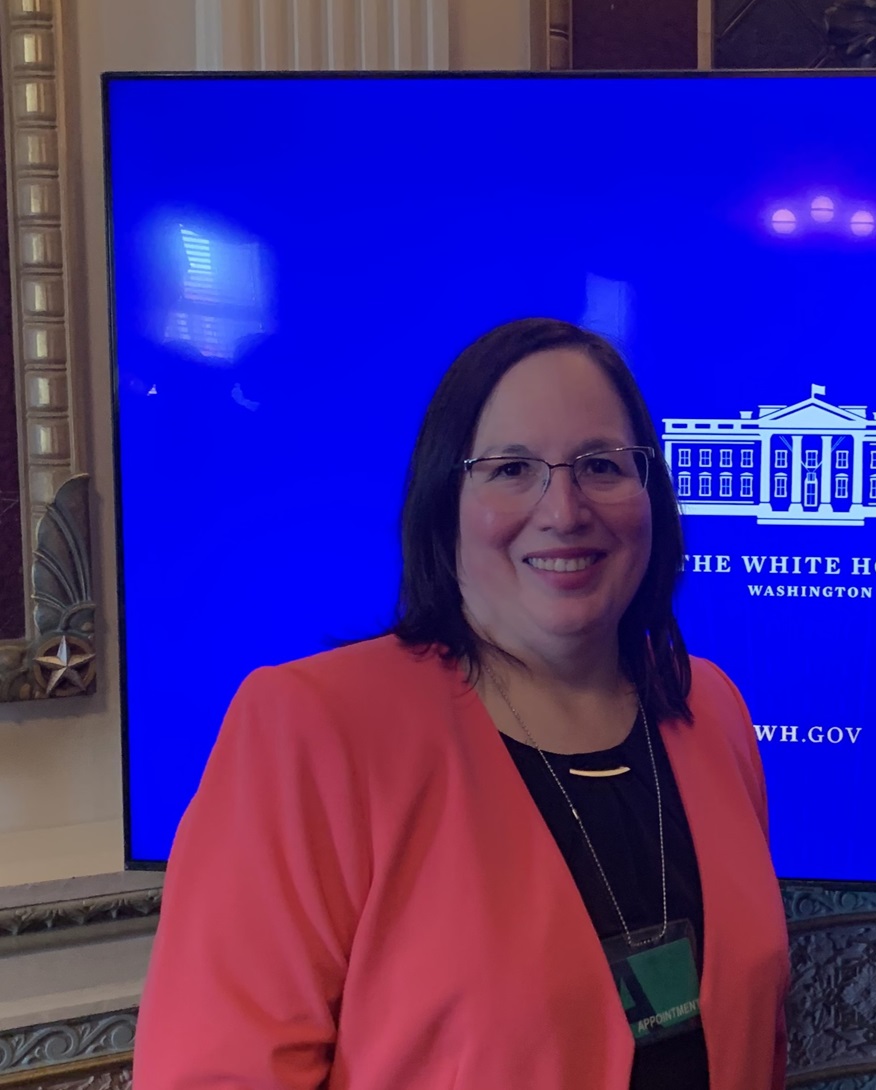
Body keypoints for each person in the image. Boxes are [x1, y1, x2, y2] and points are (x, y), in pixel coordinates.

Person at [136, 318, 790, 1089]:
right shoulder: (312, 727)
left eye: (601, 465)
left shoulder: (707, 707)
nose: (564, 510)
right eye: (512, 469)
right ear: (445, 502)